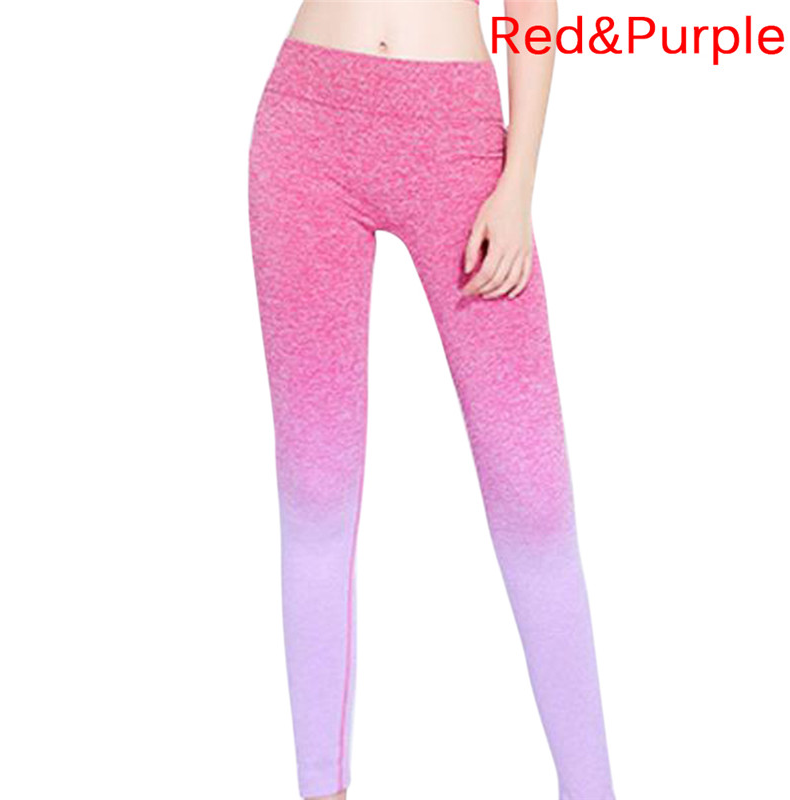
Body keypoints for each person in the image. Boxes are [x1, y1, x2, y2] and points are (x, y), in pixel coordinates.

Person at [247, 2, 616, 799]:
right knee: (315, 486)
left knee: (534, 498)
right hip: (307, 119)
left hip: (455, 134)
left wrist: (518, 182)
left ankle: (592, 789)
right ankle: (320, 786)